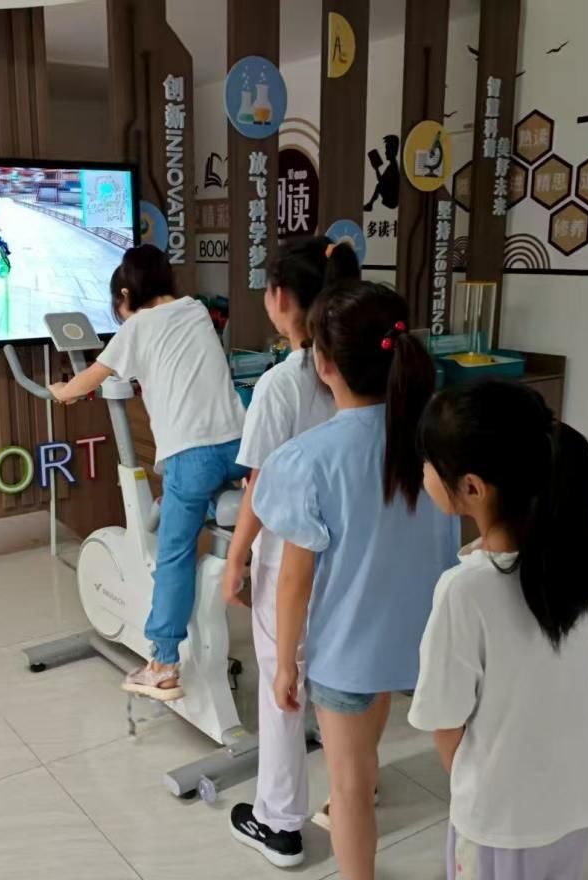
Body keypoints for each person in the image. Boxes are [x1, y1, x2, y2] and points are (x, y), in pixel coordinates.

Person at [250, 282, 460, 880]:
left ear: (323, 364)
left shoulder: (306, 459)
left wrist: (285, 664)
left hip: (347, 654)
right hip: (432, 640)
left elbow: (294, 583)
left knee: (350, 786)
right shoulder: (438, 438)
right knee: (466, 777)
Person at [409, 380, 588, 880]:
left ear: (472, 487)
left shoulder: (465, 590)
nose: (423, 472)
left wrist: (477, 792)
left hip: (499, 821)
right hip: (572, 803)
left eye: (430, 463)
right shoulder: (571, 559)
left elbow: (445, 720)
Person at [47, 244, 246, 699]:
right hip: (239, 446)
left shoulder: (136, 326)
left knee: (174, 553)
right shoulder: (196, 310)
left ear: (125, 294)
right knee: (182, 507)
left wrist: (62, 391)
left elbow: (88, 380)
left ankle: (163, 664)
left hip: (191, 457)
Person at [224, 237, 361, 868]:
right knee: (343, 676)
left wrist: (236, 555)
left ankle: (279, 823)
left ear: (280, 298)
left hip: (292, 561)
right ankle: (355, 791)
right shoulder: (362, 373)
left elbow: (260, 481)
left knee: (284, 681)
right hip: (353, 556)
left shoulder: (282, 384)